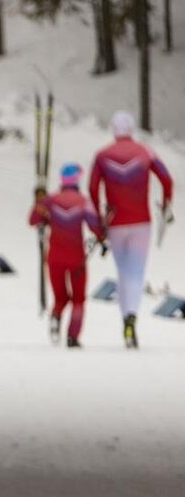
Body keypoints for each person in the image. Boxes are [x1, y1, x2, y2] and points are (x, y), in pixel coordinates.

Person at [87, 110, 174, 349]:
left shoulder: (102, 155)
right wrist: (166, 206)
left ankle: (125, 318)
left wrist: (98, 220)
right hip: (141, 221)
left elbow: (93, 188)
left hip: (115, 222)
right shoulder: (145, 151)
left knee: (123, 271)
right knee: (136, 272)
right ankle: (131, 318)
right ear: (132, 128)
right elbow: (167, 179)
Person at [30, 163, 105, 348]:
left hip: (54, 256)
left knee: (60, 297)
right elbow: (96, 227)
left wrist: (39, 202)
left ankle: (55, 316)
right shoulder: (83, 202)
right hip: (76, 258)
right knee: (78, 298)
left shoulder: (51, 200)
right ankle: (73, 336)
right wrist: (103, 232)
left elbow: (33, 220)